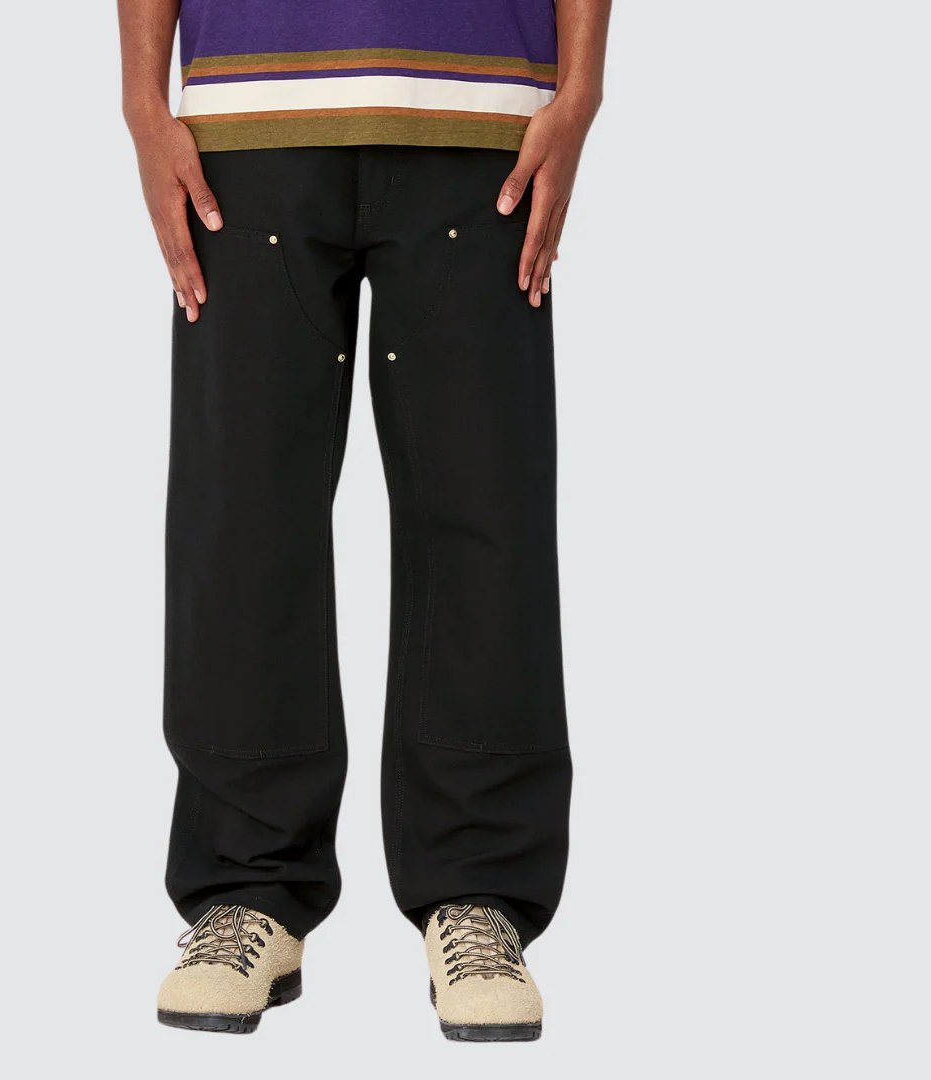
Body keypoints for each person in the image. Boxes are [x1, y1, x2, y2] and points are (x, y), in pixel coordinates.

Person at [119, 0, 611, 1041]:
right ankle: (245, 885)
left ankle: (478, 889)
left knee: (486, 505)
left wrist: (582, 88)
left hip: (484, 113)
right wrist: (140, 100)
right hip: (248, 110)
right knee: (241, 510)